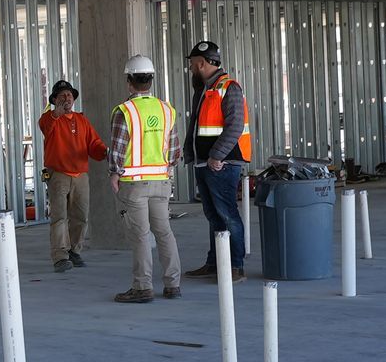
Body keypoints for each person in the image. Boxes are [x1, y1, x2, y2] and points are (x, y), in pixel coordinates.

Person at [106, 55, 182, 303]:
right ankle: (173, 284)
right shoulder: (166, 109)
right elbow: (174, 151)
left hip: (134, 184)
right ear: (151, 79)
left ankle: (142, 287)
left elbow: (117, 148)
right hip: (161, 181)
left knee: (140, 235)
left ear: (129, 81)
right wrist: (166, 169)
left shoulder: (125, 111)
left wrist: (114, 174)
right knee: (164, 232)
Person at [182, 40, 252, 283]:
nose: (190, 69)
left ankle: (235, 266)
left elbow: (234, 127)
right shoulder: (204, 89)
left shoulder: (229, 87)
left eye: (192, 64)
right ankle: (215, 263)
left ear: (201, 63)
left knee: (227, 214)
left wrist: (216, 156)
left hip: (222, 163)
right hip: (206, 163)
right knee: (214, 216)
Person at [36, 79, 107, 273]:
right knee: (59, 217)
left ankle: (74, 251)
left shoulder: (82, 120)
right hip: (58, 174)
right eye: (62, 96)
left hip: (80, 175)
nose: (66, 98)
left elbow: (94, 143)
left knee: (81, 216)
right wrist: (55, 114)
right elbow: (44, 126)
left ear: (73, 99)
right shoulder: (49, 119)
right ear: (55, 100)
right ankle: (60, 256)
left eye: (69, 95)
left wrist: (105, 153)